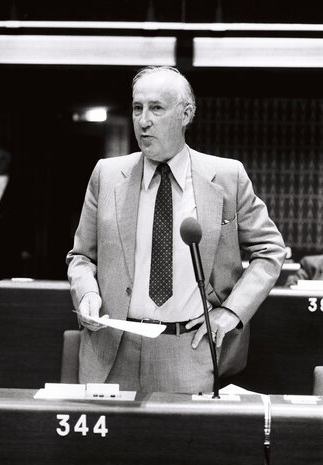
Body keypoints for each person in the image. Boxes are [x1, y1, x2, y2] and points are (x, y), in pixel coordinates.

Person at [66, 66, 286, 393]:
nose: (143, 120)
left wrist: (231, 312)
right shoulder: (106, 175)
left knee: (181, 444)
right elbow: (81, 256)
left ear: (185, 114)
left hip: (190, 351)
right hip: (113, 350)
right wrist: (87, 293)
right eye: (137, 107)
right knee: (112, 446)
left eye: (156, 108)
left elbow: (270, 251)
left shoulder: (227, 177)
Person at [0, 147, 30, 340]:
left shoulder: (18, 186)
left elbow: (27, 218)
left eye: (3, 159)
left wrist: (26, 247)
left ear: (8, 162)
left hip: (9, 247)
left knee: (7, 288)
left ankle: (7, 331)